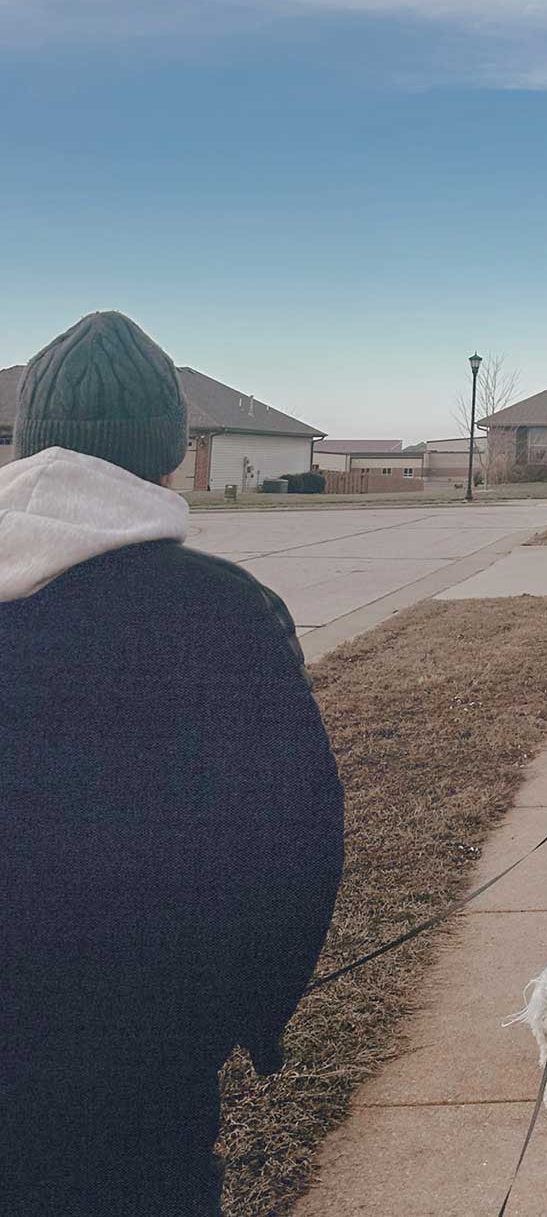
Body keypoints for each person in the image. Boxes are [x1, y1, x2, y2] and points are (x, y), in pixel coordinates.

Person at [0, 311, 344, 1215]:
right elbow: (294, 841)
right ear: (167, 451)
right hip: (145, 1056)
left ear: (28, 441)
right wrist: (252, 1015)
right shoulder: (225, 614)